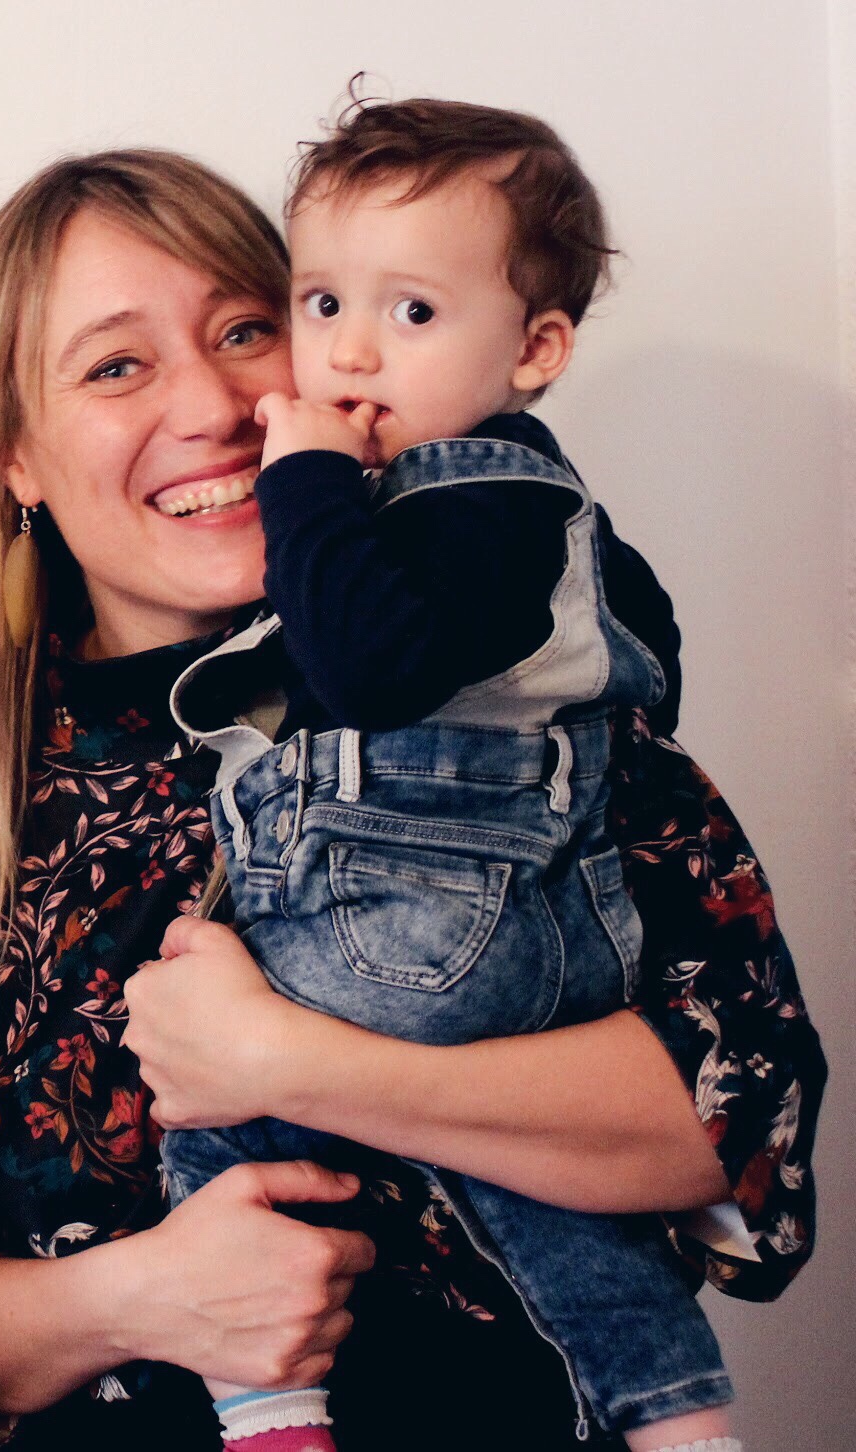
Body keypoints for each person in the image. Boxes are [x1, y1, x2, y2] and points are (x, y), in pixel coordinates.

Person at [0, 150, 824, 1450]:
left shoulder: (520, 692)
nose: (215, 404)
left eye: (247, 331)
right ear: (13, 455)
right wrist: (139, 1300)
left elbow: (742, 1131)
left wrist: (297, 1066)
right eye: (116, 366)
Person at [158, 98, 732, 1452]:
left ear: (536, 349)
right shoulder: (541, 517)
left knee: (218, 1134)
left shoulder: (462, 493)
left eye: (412, 311)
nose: (350, 351)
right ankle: (684, 1420)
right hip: (524, 951)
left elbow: (362, 666)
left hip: (422, 935)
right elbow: (643, 644)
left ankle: (269, 1412)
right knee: (555, 1214)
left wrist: (306, 479)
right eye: (321, 303)